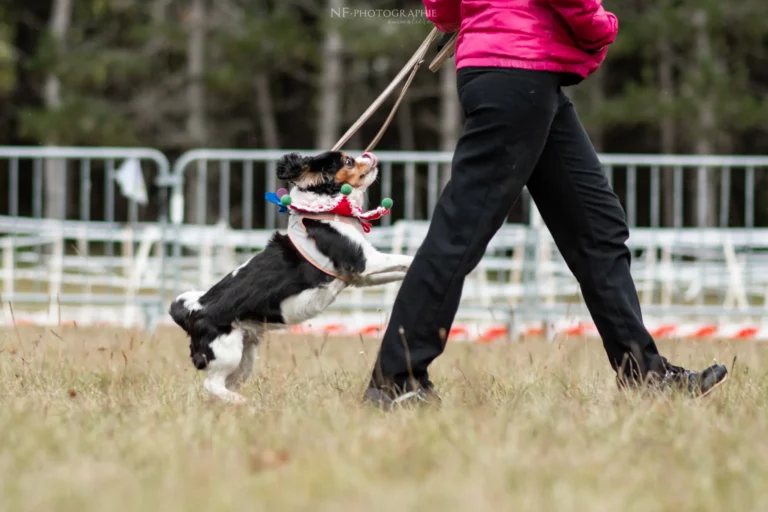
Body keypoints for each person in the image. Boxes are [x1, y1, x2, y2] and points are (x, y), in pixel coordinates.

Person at [363, 0, 728, 408]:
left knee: (597, 228)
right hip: (520, 69)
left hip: (515, 74)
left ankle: (645, 375)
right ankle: (395, 379)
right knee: (459, 234)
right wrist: (601, 26)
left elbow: (444, 9)